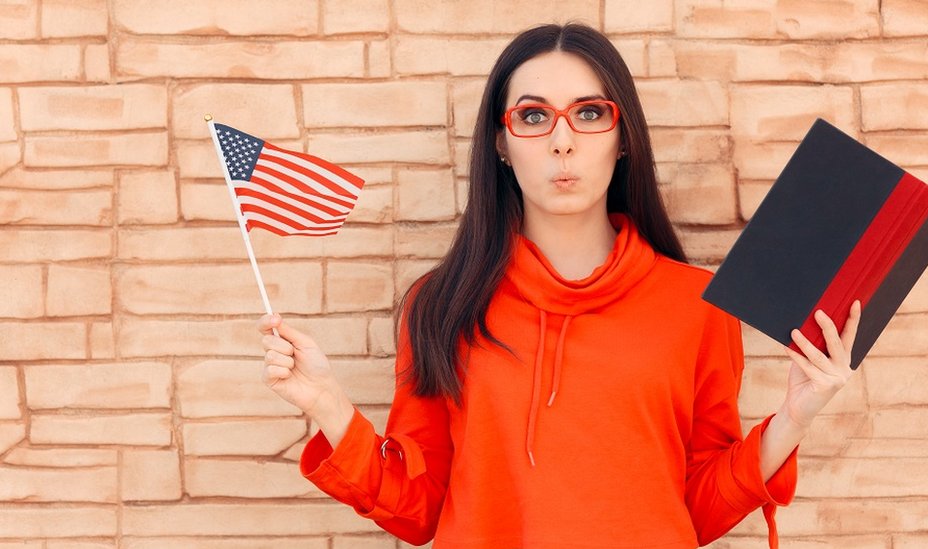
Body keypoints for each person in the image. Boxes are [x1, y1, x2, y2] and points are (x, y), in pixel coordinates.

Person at [257, 23, 861, 548]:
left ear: (623, 139)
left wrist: (794, 418)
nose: (562, 140)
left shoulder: (695, 307)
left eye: (590, 112)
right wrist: (328, 405)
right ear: (501, 142)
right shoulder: (441, 305)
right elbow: (417, 512)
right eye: (534, 115)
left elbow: (696, 511)